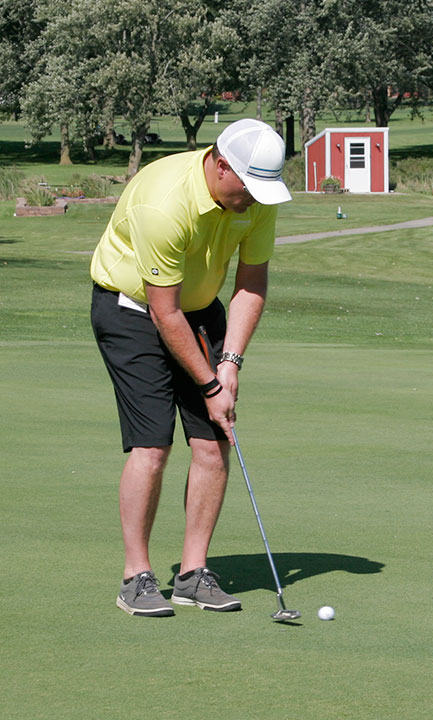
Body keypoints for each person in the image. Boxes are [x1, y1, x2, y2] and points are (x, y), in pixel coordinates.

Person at [90, 119, 291, 616]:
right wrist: (207, 382)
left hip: (199, 311)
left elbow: (251, 281)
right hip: (133, 311)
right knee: (153, 443)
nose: (253, 198)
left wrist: (231, 363)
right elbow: (164, 312)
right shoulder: (163, 201)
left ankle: (192, 574)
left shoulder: (255, 200)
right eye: (247, 186)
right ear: (222, 165)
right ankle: (135, 576)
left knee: (212, 441)